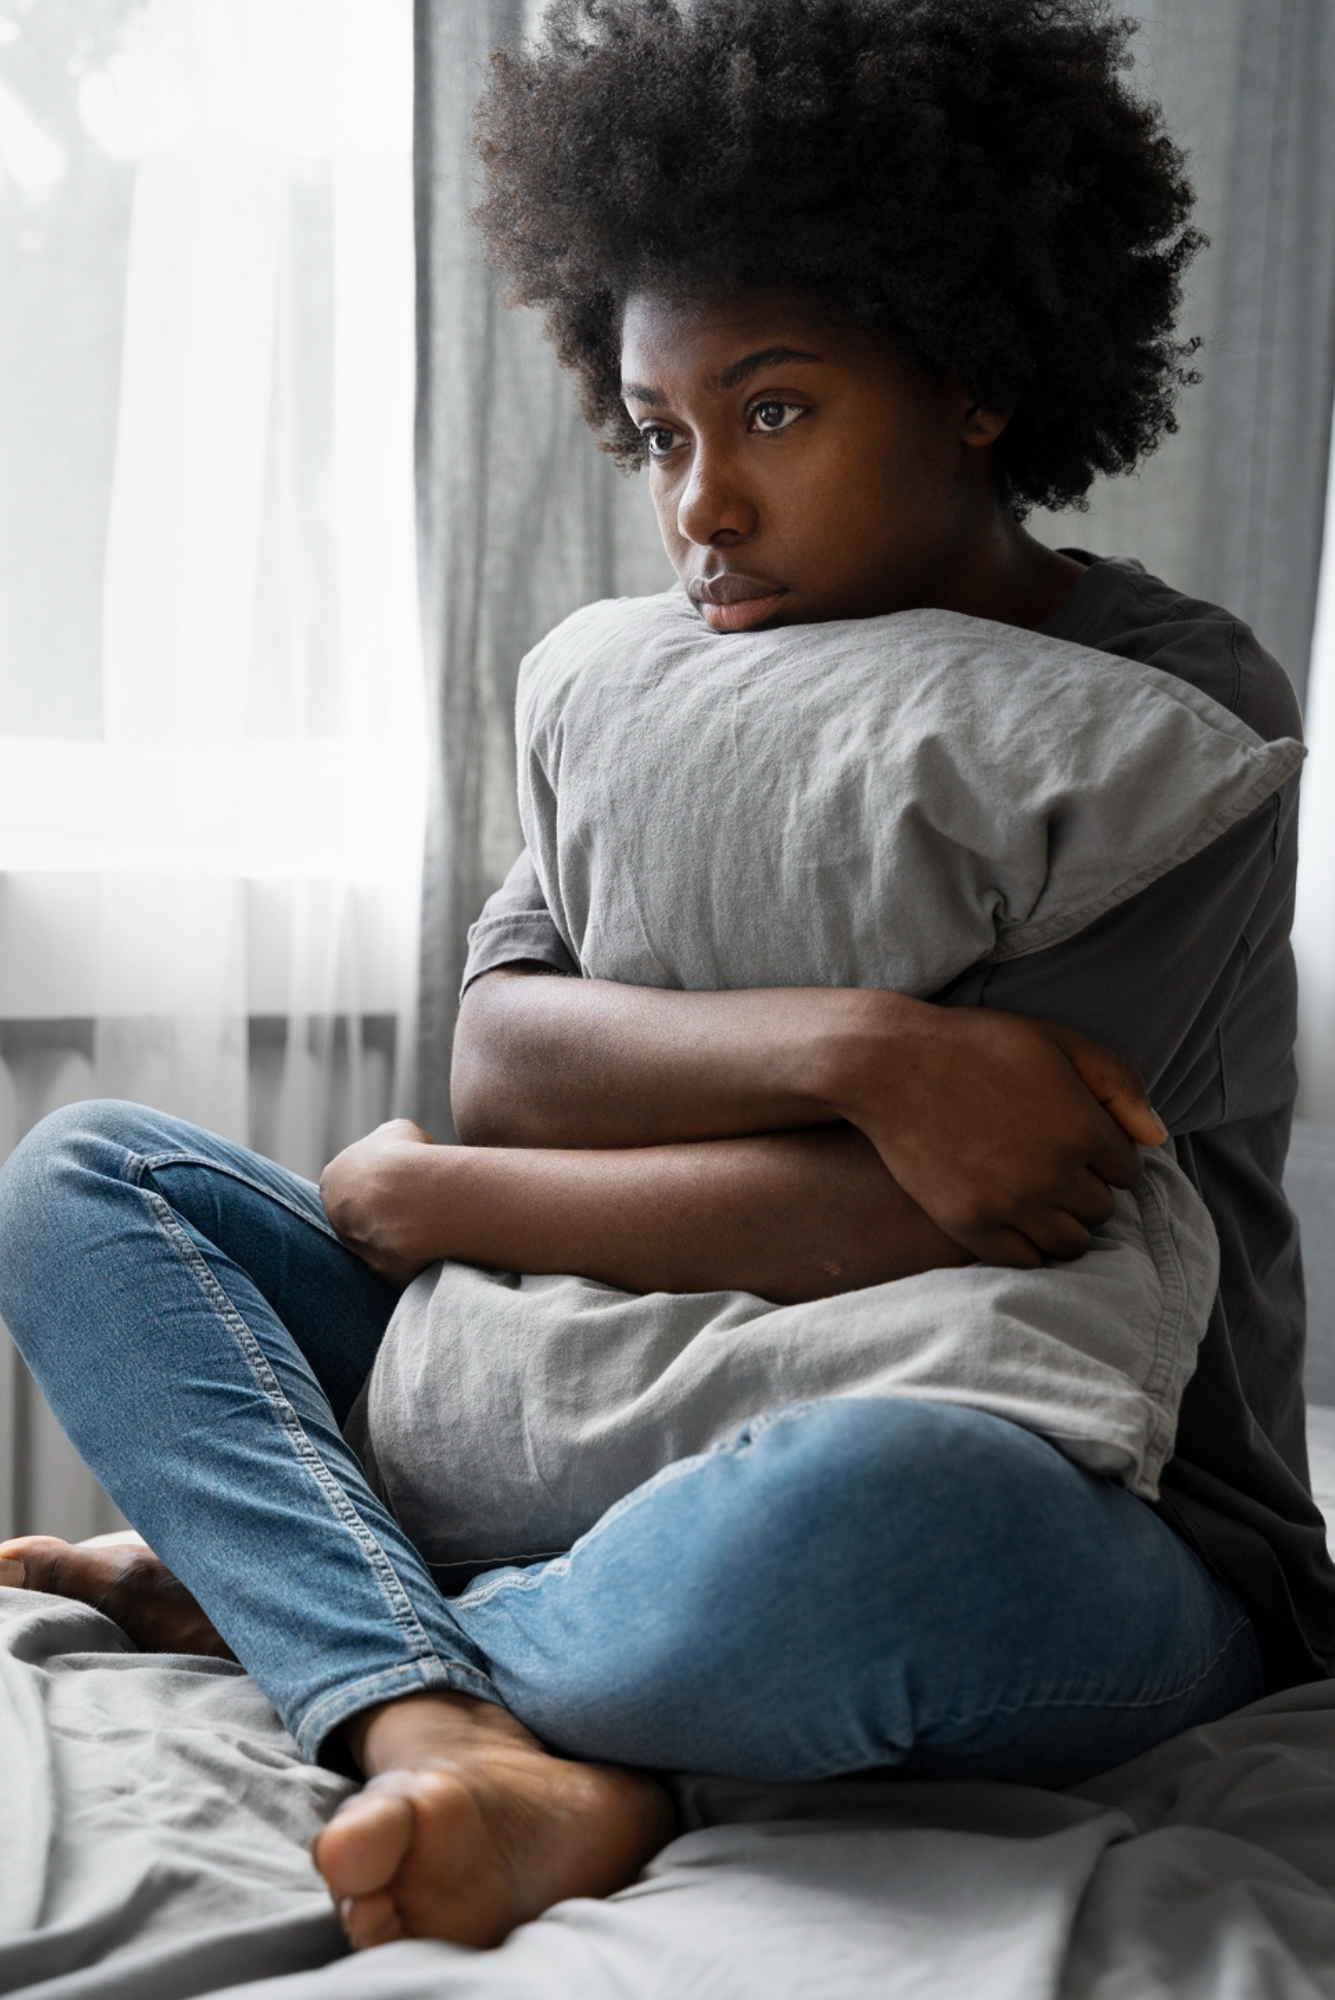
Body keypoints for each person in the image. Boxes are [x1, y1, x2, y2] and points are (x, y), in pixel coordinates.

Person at [0, 0, 1329, 1956]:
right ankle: (447, 1712)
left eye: (772, 412)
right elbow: (512, 1050)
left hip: (1075, 1496)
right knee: (88, 1178)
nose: (699, 503)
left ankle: (339, 1616)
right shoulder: (645, 693)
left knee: (870, 1526)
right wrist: (863, 1042)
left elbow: (940, 1213)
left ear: (968, 378)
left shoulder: (1163, 716)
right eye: (656, 433)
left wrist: (435, 1188)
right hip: (589, 1396)